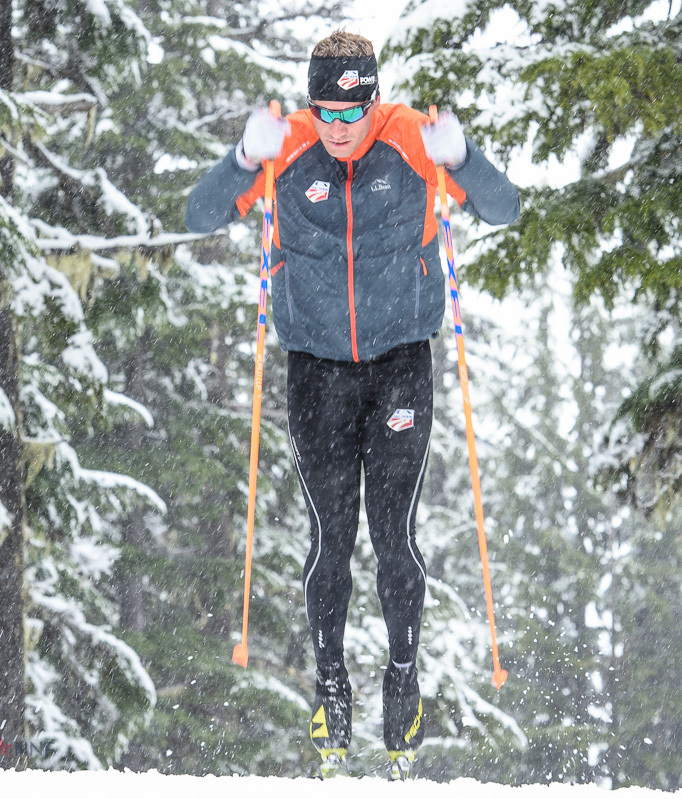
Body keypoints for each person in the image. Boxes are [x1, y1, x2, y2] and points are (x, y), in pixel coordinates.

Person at [184, 30, 519, 779]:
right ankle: (330, 684)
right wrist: (242, 157)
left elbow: (507, 208)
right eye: (325, 109)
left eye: (353, 108)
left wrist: (463, 160)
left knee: (392, 534)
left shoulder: (412, 142)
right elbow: (197, 216)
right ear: (311, 104)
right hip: (317, 372)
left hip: (401, 363)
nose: (339, 126)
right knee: (329, 539)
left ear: (374, 97)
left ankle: (403, 677)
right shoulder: (285, 149)